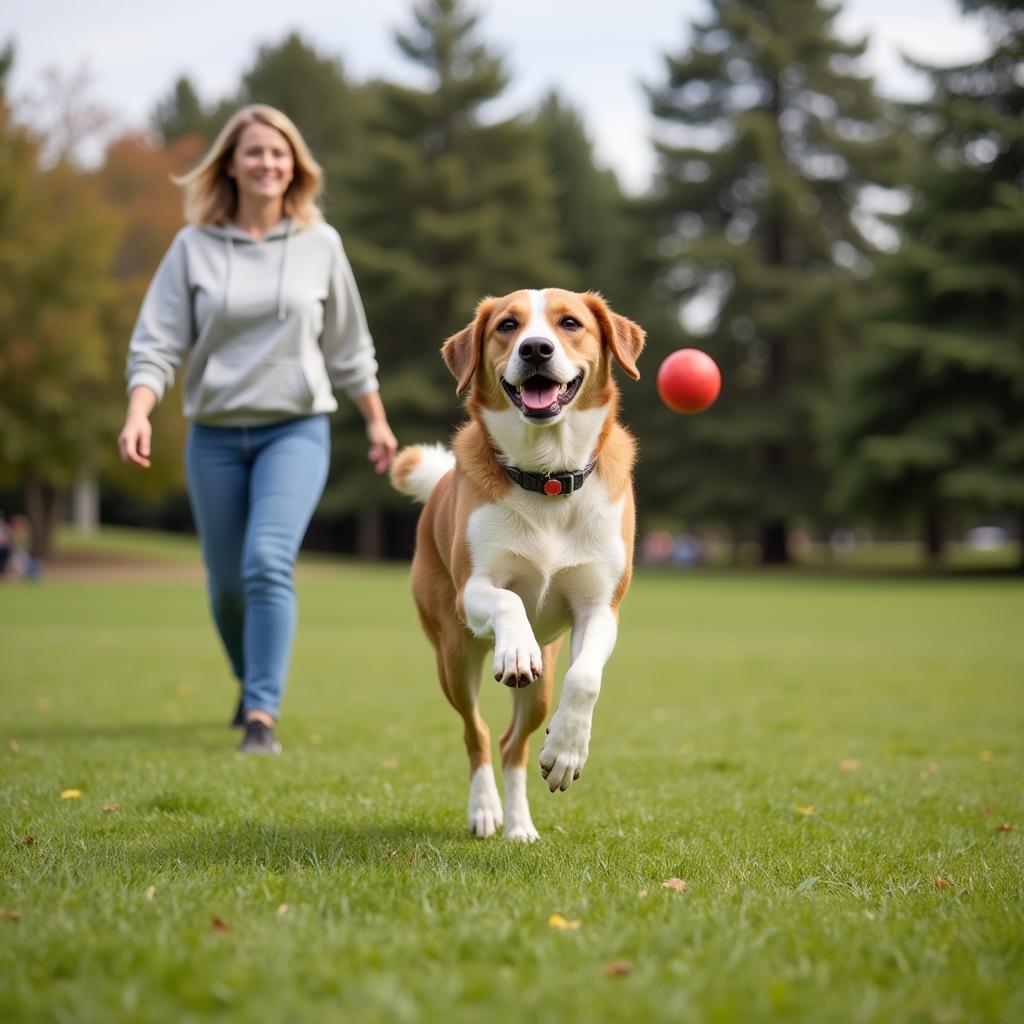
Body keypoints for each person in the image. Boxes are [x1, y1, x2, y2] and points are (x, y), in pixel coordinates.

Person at [118, 104, 397, 756]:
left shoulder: (319, 242)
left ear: (294, 165)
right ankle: (252, 679)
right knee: (225, 585)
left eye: (279, 153)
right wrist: (138, 410)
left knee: (268, 561)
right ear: (231, 165)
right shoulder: (193, 247)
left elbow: (349, 344)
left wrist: (377, 421)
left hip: (295, 431)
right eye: (255, 152)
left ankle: (261, 718)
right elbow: (156, 342)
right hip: (214, 435)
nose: (268, 163)